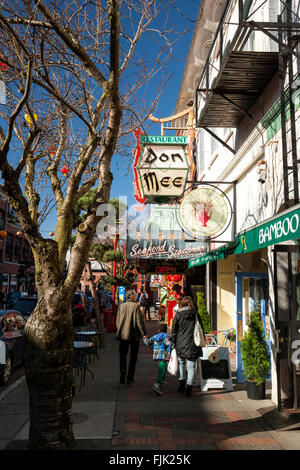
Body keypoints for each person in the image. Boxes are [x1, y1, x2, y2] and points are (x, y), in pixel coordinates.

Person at [171, 296, 204, 397]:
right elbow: (201, 328)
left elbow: (174, 331)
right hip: (192, 344)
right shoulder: (195, 314)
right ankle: (189, 389)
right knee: (191, 367)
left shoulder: (178, 315)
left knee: (181, 363)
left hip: (180, 343)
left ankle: (181, 385)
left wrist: (173, 342)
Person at [116, 289, 147, 385]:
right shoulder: (136, 306)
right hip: (134, 336)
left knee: (122, 355)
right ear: (132, 297)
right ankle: (130, 377)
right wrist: (144, 333)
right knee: (133, 357)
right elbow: (139, 321)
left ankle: (123, 371)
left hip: (123, 335)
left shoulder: (121, 306)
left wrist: (120, 329)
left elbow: (117, 321)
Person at [144, 323, 173, 396]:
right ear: (166, 330)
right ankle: (156, 385)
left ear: (159, 330)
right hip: (164, 356)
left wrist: (145, 338)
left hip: (157, 356)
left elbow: (148, 342)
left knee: (163, 368)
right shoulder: (167, 336)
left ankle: (161, 381)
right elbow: (169, 344)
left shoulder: (155, 336)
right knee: (162, 369)